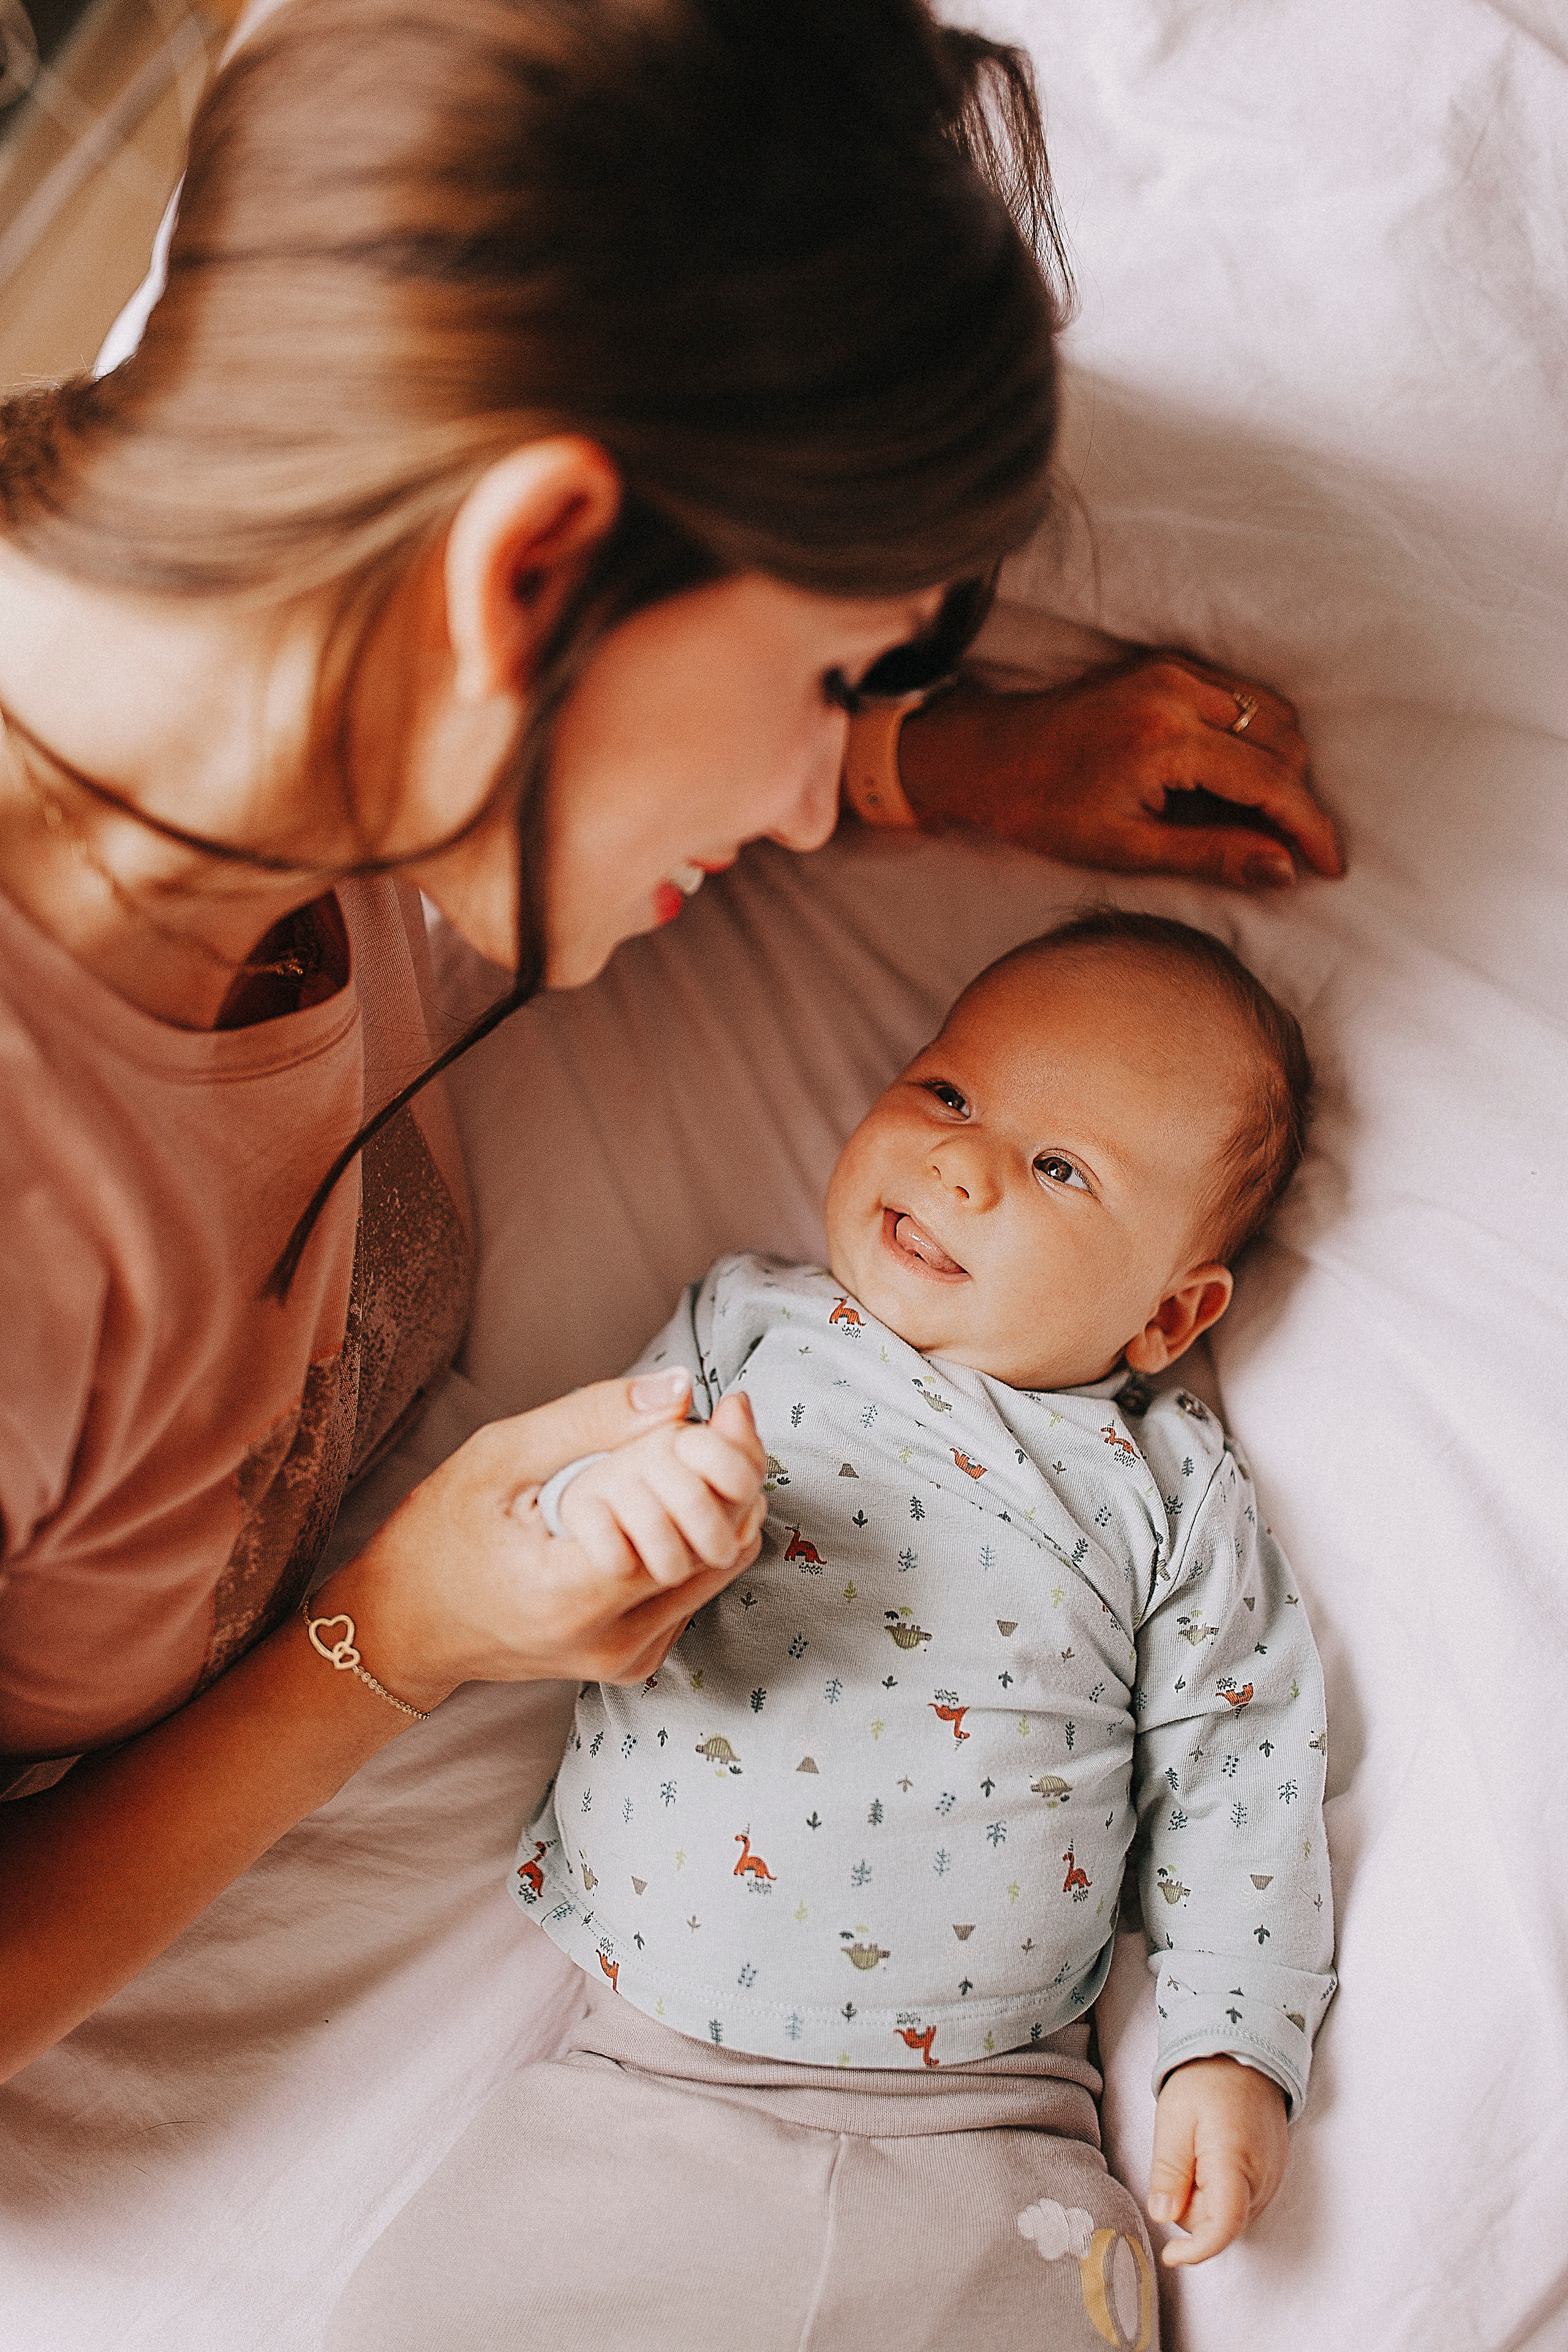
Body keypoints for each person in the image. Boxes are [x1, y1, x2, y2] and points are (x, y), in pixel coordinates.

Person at [0, 0, 1340, 2088]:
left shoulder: (250, 665)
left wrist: (941, 759)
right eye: (821, 675)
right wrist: (395, 1634)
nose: (806, 800)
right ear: (529, 569)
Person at [325, 912, 1335, 2352]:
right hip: (631, 2097)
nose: (961, 1161)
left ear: (1170, 1315)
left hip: (985, 2137)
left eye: (1057, 1168)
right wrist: (617, 1510)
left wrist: (1235, 2046)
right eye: (946, 1092)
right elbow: (544, 1508)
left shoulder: (1163, 1490)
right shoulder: (745, 1331)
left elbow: (1244, 1775)